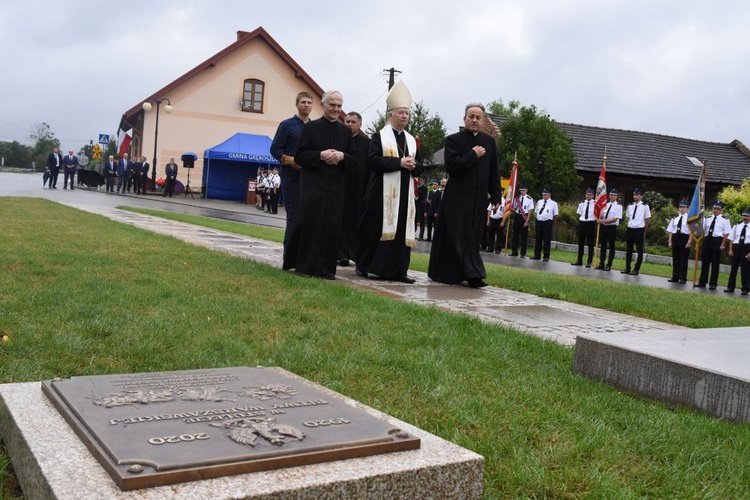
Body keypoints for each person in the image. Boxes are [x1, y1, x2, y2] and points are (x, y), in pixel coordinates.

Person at [356, 81, 424, 283]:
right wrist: (399, 162)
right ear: (391, 115)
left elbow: (421, 166)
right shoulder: (379, 137)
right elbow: (373, 161)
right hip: (381, 194)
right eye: (401, 112)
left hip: (404, 195)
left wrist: (414, 166)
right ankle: (371, 267)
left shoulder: (411, 140)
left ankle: (398, 271)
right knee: (376, 230)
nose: (404, 116)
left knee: (402, 231)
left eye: (407, 113)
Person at [428, 103, 502, 288]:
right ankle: (452, 273)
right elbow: (452, 166)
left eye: (478, 117)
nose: (474, 120)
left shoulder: (489, 142)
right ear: (464, 119)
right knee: (456, 236)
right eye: (471, 116)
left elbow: (494, 171)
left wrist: (496, 198)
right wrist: (473, 154)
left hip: (478, 200)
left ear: (483, 120)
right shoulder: (453, 140)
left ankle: (472, 273)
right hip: (457, 199)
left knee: (472, 236)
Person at [282, 90, 355, 279]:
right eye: (332, 105)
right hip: (312, 187)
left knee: (331, 227)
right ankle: (306, 266)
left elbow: (355, 160)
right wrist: (320, 156)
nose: (336, 109)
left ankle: (327, 269)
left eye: (339, 106)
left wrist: (342, 156)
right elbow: (299, 156)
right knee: (311, 226)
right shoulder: (310, 128)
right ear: (323, 105)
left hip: (335, 189)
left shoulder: (345, 132)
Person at [271, 91, 314, 250]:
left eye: (309, 103)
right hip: (291, 176)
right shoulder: (287, 125)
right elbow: (275, 149)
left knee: (308, 215)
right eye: (303, 102)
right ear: (297, 104)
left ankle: (303, 251)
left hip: (309, 176)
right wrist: (289, 160)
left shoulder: (314, 127)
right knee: (293, 214)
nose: (306, 105)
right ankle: (289, 252)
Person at [339, 111, 370, 266]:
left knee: (357, 223)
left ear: (360, 124)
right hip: (341, 186)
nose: (350, 124)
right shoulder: (339, 139)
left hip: (359, 188)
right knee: (341, 221)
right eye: (348, 122)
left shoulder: (367, 143)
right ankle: (342, 254)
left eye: (353, 122)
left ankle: (355, 254)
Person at [696, 201, 731, 289]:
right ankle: (702, 281)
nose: (715, 210)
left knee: (715, 263)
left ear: (721, 210)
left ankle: (713, 283)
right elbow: (701, 229)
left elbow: (726, 234)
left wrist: (722, 244)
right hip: (707, 239)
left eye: (718, 209)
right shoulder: (707, 218)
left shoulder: (725, 220)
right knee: (705, 262)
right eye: (714, 208)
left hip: (717, 240)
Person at [621, 188, 651, 275]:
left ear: (641, 196)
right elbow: (628, 218)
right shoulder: (630, 205)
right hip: (630, 228)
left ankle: (636, 269)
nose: (635, 196)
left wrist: (643, 231)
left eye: (637, 195)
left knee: (639, 250)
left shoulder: (645, 206)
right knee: (629, 250)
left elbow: (646, 220)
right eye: (634, 195)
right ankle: (627, 267)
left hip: (639, 230)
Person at [725, 208, 750, 295]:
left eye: (747, 216)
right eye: (743, 215)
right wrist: (730, 249)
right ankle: (730, 287)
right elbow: (732, 239)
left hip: (746, 248)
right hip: (736, 248)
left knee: (745, 270)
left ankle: (745, 288)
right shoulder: (737, 226)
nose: (745, 217)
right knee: (733, 269)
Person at [595, 188, 622, 271]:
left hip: (611, 227)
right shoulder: (605, 205)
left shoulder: (618, 207)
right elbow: (602, 215)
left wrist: (602, 221)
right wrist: (599, 217)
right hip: (604, 227)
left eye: (614, 195)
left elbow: (615, 219)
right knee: (603, 246)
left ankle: (609, 265)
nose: (612, 196)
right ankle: (601, 263)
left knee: (611, 246)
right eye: (611, 195)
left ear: (617, 197)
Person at [667, 200, 692, 284]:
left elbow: (691, 232)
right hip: (676, 237)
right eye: (680, 207)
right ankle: (675, 276)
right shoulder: (675, 218)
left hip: (684, 237)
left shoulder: (689, 219)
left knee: (683, 259)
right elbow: (670, 231)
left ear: (687, 209)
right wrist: (670, 242)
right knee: (676, 258)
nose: (682, 209)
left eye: (684, 207)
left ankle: (682, 277)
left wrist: (689, 241)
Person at [529, 188, 558, 261]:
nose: (544, 196)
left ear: (549, 195)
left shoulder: (553, 203)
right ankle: (537, 255)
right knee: (538, 239)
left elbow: (555, 215)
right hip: (539, 221)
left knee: (546, 239)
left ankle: (546, 255)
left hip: (547, 222)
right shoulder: (539, 202)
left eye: (546, 195)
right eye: (543, 195)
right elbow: (536, 211)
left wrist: (550, 221)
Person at [572, 188, 597, 267]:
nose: (588, 196)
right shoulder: (582, 203)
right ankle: (579, 260)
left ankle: (589, 261)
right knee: (580, 243)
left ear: (593, 195)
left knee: (590, 243)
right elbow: (580, 214)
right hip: (582, 222)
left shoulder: (595, 204)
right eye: (587, 194)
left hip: (590, 223)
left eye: (590, 195)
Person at [509, 185, 533, 257]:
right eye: (520, 190)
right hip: (517, 216)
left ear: (526, 191)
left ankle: (523, 253)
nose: (521, 192)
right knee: (515, 235)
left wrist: (527, 221)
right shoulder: (517, 198)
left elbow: (529, 211)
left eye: (523, 190)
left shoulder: (529, 199)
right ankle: (514, 251)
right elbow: (515, 208)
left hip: (524, 217)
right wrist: (510, 208)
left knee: (523, 236)